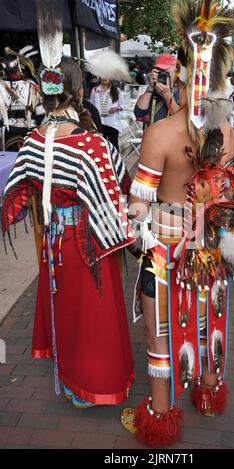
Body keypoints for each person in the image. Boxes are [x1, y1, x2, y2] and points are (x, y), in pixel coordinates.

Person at [120, 0, 234, 448]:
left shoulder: (161, 134)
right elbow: (231, 195)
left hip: (168, 246)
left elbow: (139, 206)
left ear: (181, 71)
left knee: (161, 329)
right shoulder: (228, 133)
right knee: (207, 317)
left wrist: (130, 218)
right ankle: (208, 392)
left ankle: (160, 415)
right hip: (211, 244)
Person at [2, 0, 135, 409]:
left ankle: (70, 375)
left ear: (45, 92)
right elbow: (119, 193)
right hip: (88, 241)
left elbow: (17, 198)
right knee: (93, 312)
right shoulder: (92, 144)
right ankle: (92, 384)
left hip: (53, 241)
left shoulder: (32, 141)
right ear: (79, 92)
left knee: (65, 304)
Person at [0, 48, 44, 150]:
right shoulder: (32, 86)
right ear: (19, 68)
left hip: (7, 133)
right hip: (29, 133)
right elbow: (40, 112)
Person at [87, 49, 130, 152]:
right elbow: (92, 106)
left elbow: (123, 105)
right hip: (99, 122)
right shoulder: (95, 90)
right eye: (102, 75)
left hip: (112, 122)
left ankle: (116, 163)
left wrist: (117, 108)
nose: (104, 78)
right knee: (100, 144)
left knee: (113, 144)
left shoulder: (117, 91)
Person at [134, 54, 184, 125]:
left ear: (175, 71)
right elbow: (139, 113)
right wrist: (151, 87)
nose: (161, 74)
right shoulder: (154, 88)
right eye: (158, 70)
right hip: (154, 134)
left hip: (174, 135)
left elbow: (180, 119)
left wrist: (167, 95)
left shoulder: (183, 89)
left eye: (164, 70)